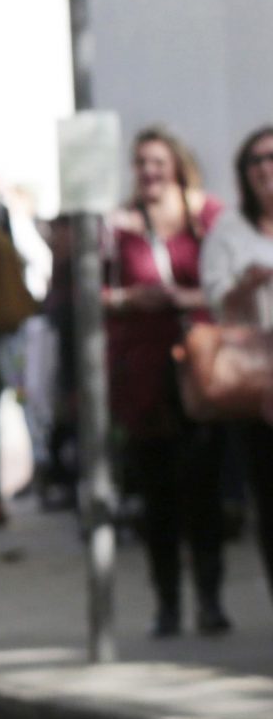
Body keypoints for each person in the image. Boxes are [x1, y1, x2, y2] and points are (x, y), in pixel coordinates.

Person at [105, 127, 227, 637]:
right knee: (157, 496)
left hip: (198, 367)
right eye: (141, 164)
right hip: (144, 375)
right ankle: (168, 602)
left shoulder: (207, 217)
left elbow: (225, 283)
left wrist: (182, 298)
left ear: (176, 164)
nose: (149, 173)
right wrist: (133, 299)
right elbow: (95, 295)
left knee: (204, 490)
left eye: (157, 162)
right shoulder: (119, 226)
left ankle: (211, 598)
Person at [201, 124, 273, 612]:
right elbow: (215, 302)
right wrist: (245, 288)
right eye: (256, 162)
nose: (266, 169)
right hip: (258, 375)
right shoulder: (229, 230)